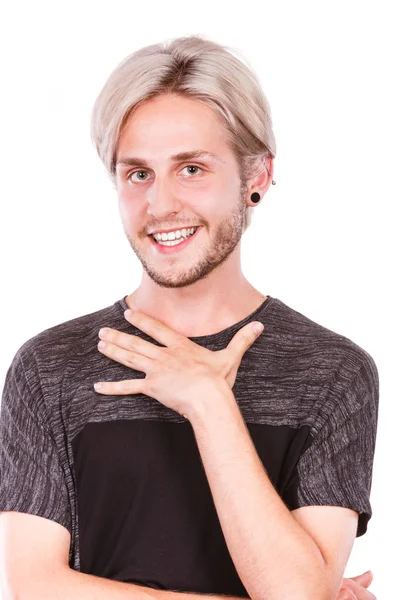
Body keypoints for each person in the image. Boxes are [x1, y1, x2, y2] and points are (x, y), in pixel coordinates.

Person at [0, 35, 378, 600]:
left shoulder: (333, 373)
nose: (160, 205)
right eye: (138, 174)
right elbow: (35, 587)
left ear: (256, 178)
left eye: (192, 168)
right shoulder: (50, 368)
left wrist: (209, 403)